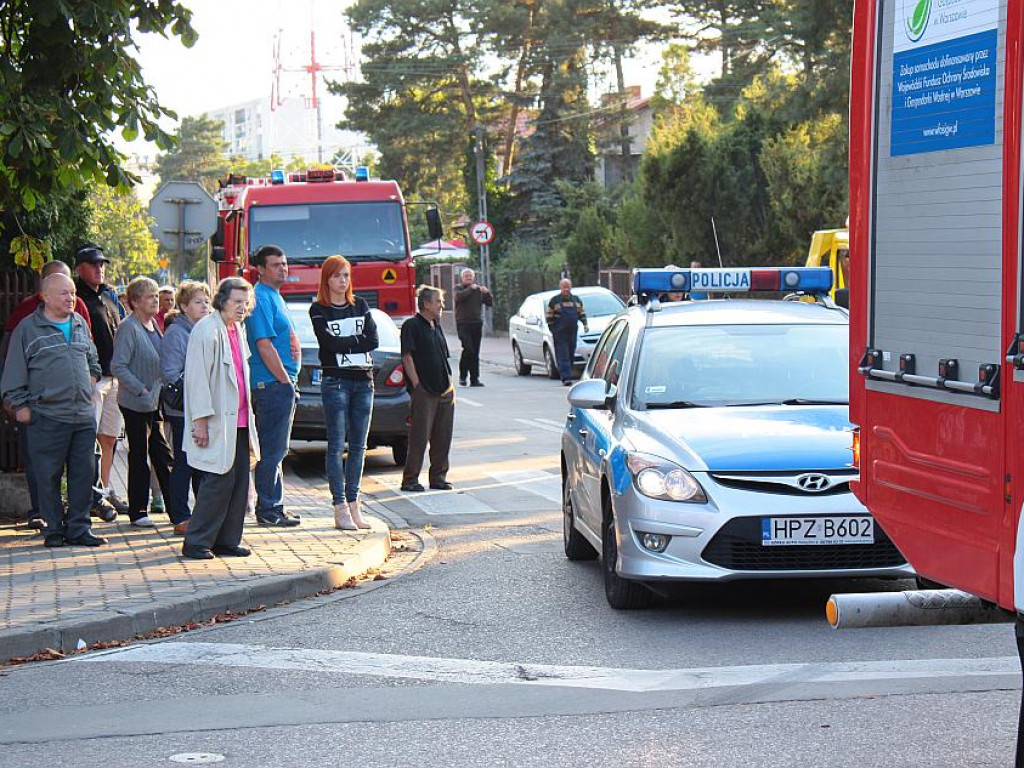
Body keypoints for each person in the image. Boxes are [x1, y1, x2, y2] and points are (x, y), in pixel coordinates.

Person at [1, 273, 104, 547]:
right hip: (46, 415)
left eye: (72, 293)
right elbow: (13, 371)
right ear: (45, 296)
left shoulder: (80, 323)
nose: (71, 298)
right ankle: (54, 529)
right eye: (63, 293)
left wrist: (91, 381)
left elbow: (93, 360)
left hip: (82, 415)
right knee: (48, 476)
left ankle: (79, 529)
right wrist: (20, 406)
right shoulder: (27, 328)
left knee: (83, 475)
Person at [181, 277, 260, 560]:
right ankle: (197, 542)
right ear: (222, 300)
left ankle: (227, 540)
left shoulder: (236, 329)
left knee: (238, 481)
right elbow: (197, 379)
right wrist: (200, 421)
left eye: (245, 302)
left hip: (237, 419)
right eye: (237, 302)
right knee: (216, 481)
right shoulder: (207, 329)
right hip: (217, 419)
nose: (242, 308)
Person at [309, 256, 379, 530]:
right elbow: (327, 342)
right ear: (327, 279)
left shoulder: (360, 305)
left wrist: (345, 344)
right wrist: (355, 344)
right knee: (337, 445)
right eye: (337, 276)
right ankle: (339, 506)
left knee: (360, 446)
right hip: (336, 381)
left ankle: (354, 504)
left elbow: (373, 339)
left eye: (346, 275)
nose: (343, 281)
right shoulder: (318, 309)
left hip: (364, 380)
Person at [245, 244, 302, 528]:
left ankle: (275, 506)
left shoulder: (275, 296)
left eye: (284, 263)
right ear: (261, 269)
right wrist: (284, 380)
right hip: (270, 384)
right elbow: (263, 345)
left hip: (280, 383)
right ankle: (267, 508)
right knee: (271, 450)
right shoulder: (259, 298)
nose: (283, 268)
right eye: (276, 264)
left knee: (277, 449)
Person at [110, 277, 173, 527]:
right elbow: (118, 366)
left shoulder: (154, 325)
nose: (155, 300)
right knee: (141, 454)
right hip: (136, 403)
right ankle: (138, 511)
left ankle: (176, 508)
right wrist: (141, 388)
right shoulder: (129, 327)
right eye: (149, 296)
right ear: (135, 301)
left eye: (156, 295)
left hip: (154, 402)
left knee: (162, 454)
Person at [74, 243, 128, 514]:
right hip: (94, 379)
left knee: (109, 439)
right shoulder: (75, 297)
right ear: (79, 268)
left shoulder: (109, 295)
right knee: (88, 440)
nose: (99, 268)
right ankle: (88, 496)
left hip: (115, 376)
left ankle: (104, 491)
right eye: (93, 264)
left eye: (102, 264)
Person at [160, 280, 211, 535]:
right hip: (183, 409)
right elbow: (170, 373)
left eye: (206, 301)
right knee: (184, 462)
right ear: (183, 306)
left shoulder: (206, 329)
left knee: (201, 463)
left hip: (203, 408)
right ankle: (180, 515)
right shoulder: (177, 333)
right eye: (198, 302)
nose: (204, 306)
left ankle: (201, 514)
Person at [400, 285, 455, 493]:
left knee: (443, 435)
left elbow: (443, 356)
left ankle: (438, 477)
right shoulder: (411, 326)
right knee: (419, 436)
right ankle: (410, 479)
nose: (442, 305)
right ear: (426, 304)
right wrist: (416, 385)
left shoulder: (436, 325)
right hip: (425, 390)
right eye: (439, 301)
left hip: (444, 388)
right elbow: (407, 356)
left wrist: (450, 383)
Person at [546, 278, 589, 386]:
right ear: (560, 287)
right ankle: (566, 377)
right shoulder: (554, 301)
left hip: (572, 331)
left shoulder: (576, 300)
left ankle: (568, 373)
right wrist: (553, 330)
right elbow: (549, 317)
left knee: (570, 353)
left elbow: (581, 313)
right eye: (564, 287)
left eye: (568, 286)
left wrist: (585, 324)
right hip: (560, 333)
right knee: (562, 354)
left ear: (571, 287)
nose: (566, 289)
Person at [453, 268, 492, 388]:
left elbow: (489, 303)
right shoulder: (458, 288)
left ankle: (475, 379)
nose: (469, 279)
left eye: (470, 277)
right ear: (462, 278)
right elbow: (458, 297)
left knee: (475, 352)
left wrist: (487, 293)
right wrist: (470, 288)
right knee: (468, 349)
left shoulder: (478, 290)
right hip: (463, 323)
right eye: (466, 277)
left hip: (476, 323)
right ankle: (463, 376)